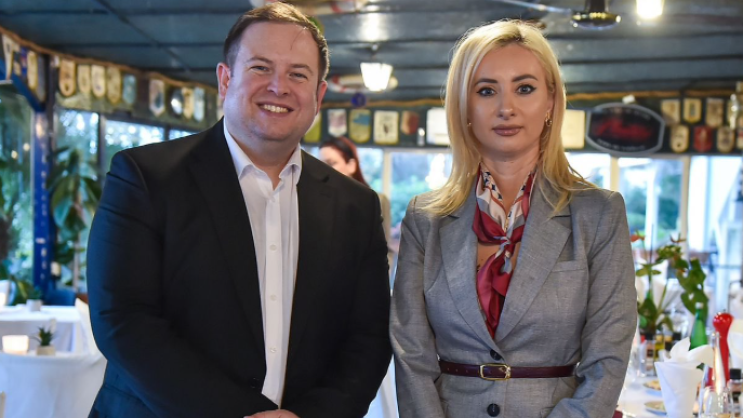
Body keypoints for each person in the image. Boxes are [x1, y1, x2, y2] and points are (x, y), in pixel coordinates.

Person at [86, 3, 391, 418]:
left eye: (298, 74)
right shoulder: (145, 178)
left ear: (318, 96)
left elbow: (368, 337)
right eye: (261, 67)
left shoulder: (356, 206)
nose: (279, 87)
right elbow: (123, 320)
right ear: (225, 79)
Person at [390, 20, 636, 418]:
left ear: (551, 101)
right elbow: (410, 354)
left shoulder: (599, 213)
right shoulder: (426, 218)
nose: (506, 108)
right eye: (486, 91)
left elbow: (608, 356)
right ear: (464, 106)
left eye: (524, 88)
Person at [319, 136, 392, 266]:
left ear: (351, 165)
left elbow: (384, 250)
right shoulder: (316, 202)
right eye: (320, 165)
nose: (324, 171)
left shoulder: (375, 201)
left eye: (331, 163)